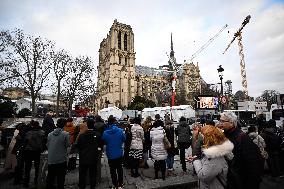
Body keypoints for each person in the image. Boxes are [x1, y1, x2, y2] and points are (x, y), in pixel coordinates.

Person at [219, 111, 263, 189]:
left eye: (222, 121)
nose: (220, 123)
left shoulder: (241, 138)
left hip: (241, 182)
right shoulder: (227, 136)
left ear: (231, 123)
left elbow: (253, 164)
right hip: (232, 180)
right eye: (220, 120)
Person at [75, 118, 102, 189]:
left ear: (87, 125)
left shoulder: (82, 135)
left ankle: (81, 187)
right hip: (93, 158)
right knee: (93, 174)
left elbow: (78, 146)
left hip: (83, 158)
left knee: (82, 174)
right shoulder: (98, 135)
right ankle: (92, 187)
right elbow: (100, 146)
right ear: (94, 125)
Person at [102, 115, 126, 189]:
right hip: (119, 153)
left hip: (110, 154)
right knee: (120, 169)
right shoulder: (120, 130)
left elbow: (104, 141)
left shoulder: (105, 133)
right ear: (114, 122)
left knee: (112, 170)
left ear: (108, 123)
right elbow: (124, 139)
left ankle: (115, 184)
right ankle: (121, 184)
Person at [46, 118, 70, 189]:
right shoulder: (65, 134)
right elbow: (67, 146)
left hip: (51, 159)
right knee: (61, 178)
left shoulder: (49, 134)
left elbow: (47, 145)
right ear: (64, 125)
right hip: (61, 159)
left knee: (50, 177)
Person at [22, 120, 45, 188]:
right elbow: (44, 142)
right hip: (37, 151)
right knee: (37, 167)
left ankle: (26, 183)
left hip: (29, 151)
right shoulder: (42, 133)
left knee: (27, 168)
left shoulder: (28, 133)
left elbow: (25, 142)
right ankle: (36, 181)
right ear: (38, 126)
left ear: (32, 126)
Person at [150, 114, 167, 180]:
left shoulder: (152, 131)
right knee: (163, 162)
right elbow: (165, 139)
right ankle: (163, 176)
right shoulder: (163, 131)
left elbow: (150, 139)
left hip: (155, 148)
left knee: (156, 162)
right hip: (162, 148)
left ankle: (156, 175)